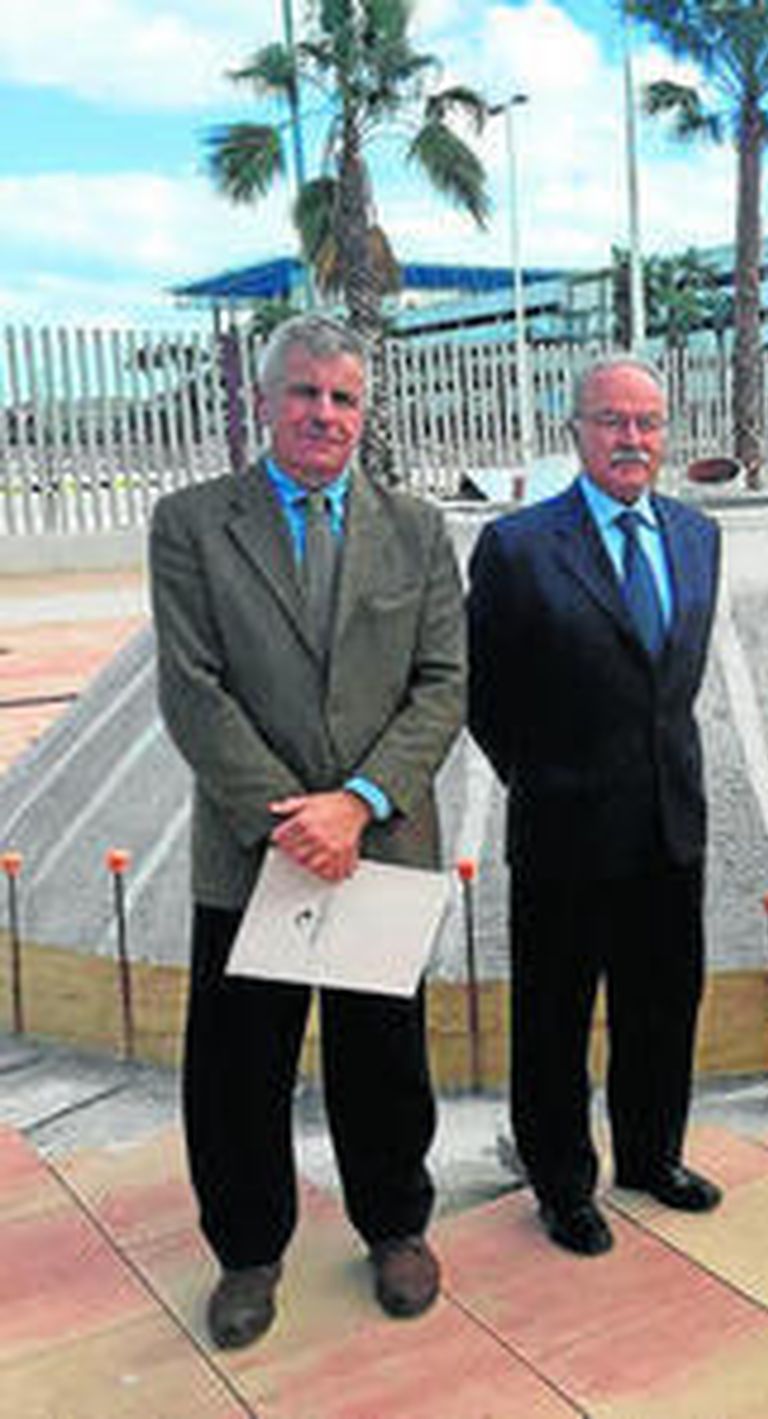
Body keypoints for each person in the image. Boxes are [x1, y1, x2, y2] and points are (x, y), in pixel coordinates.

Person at [149, 313, 465, 1349]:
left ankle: (394, 1226)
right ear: (265, 400)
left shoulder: (415, 529)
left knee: (384, 1059)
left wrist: (358, 803)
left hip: (378, 841)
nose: (323, 414)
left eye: (342, 397)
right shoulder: (194, 524)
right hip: (255, 854)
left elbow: (441, 684)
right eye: (305, 393)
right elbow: (194, 691)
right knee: (240, 1068)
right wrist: (293, 818)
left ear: (363, 412)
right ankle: (247, 1250)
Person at [467, 355, 723, 1256]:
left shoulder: (697, 536)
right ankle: (563, 1183)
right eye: (611, 420)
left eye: (647, 421)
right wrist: (546, 777)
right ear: (575, 430)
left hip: (669, 824)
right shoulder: (520, 546)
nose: (632, 437)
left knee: (664, 1006)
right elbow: (484, 695)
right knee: (554, 1022)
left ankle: (653, 1155)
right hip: (565, 832)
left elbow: (671, 686)